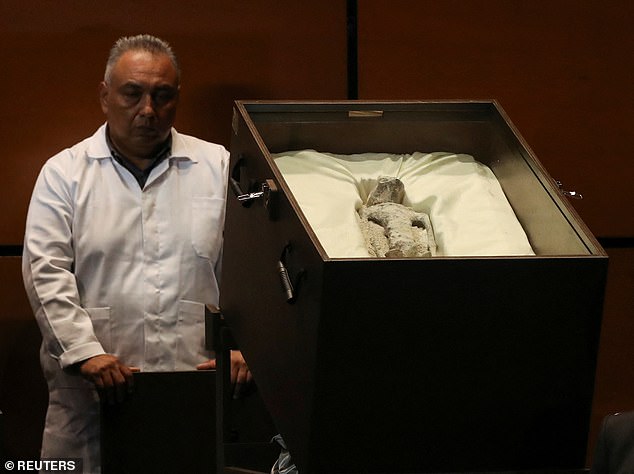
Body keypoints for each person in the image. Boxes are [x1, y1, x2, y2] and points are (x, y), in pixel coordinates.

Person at [22, 34, 251, 473]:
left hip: (198, 383)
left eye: (162, 96)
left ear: (177, 99)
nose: (148, 110)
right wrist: (83, 351)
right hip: (94, 391)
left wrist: (246, 347)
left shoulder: (218, 166)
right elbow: (45, 272)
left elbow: (251, 268)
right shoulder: (64, 174)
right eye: (132, 93)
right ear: (104, 96)